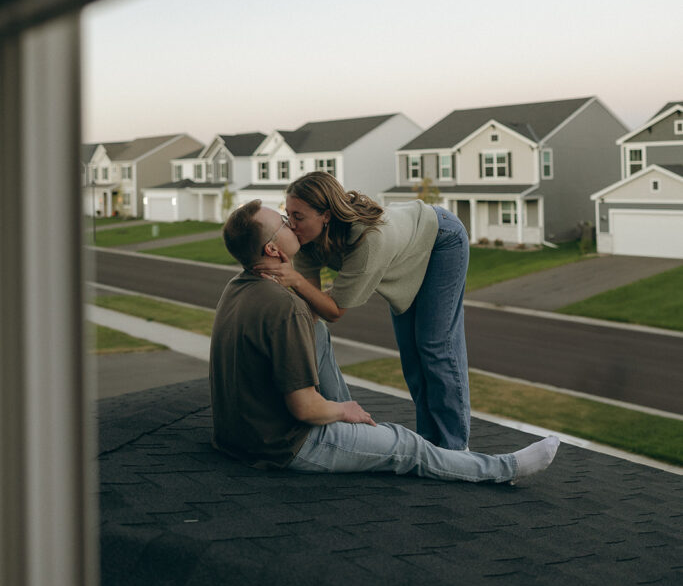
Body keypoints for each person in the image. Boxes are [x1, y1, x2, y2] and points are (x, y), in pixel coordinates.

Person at [210, 199, 560, 485]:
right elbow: (305, 408)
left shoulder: (237, 289)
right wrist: (342, 410)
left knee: (318, 332)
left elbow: (315, 319)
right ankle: (505, 470)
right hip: (289, 444)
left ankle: (355, 431)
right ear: (272, 247)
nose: (292, 223)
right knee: (408, 446)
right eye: (285, 222)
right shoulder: (284, 306)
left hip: (241, 438)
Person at [253, 172, 472, 449]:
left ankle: (455, 448)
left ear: (327, 216)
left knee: (434, 346)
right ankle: (431, 443)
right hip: (404, 251)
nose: (291, 225)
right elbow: (313, 308)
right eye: (288, 215)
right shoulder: (307, 242)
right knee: (411, 354)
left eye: (299, 216)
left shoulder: (366, 240)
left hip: (440, 238)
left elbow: (334, 311)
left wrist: (293, 279)